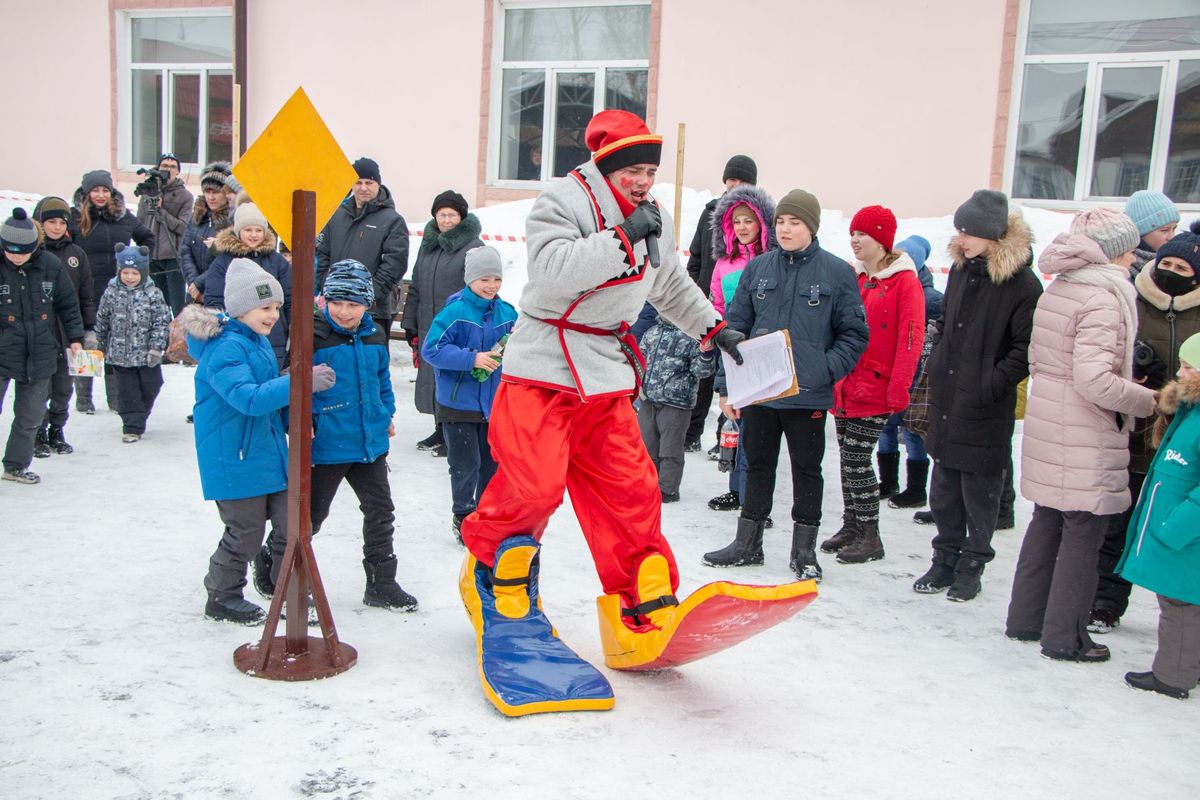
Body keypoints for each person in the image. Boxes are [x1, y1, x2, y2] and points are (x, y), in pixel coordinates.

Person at [458, 109, 744, 670]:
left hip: (605, 374)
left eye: (649, 171)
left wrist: (714, 326)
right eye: (632, 170)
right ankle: (495, 574)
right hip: (542, 366)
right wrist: (619, 238)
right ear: (606, 167)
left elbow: (668, 284)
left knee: (633, 491)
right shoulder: (560, 202)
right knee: (534, 487)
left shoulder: (652, 215)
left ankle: (642, 603)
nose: (642, 181)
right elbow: (551, 269)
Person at [1004, 209, 1156, 663]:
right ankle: (1066, 637)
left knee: (1048, 520)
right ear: (1112, 252)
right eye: (1129, 250)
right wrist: (1146, 401)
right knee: (1084, 529)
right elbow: (1094, 380)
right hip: (1085, 428)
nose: (1133, 259)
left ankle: (1026, 619)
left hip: (1051, 422)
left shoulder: (1062, 286)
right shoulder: (1104, 297)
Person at [704, 188, 869, 581]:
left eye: (795, 222)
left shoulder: (836, 272)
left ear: (811, 226)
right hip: (760, 392)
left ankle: (804, 551)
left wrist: (823, 369)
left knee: (806, 470)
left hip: (807, 394)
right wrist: (729, 387)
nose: (786, 229)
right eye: (780, 221)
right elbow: (734, 329)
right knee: (757, 465)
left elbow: (854, 334)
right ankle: (748, 543)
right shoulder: (759, 268)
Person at [180, 260, 336, 623]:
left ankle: (290, 592)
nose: (273, 315)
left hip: (267, 452)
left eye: (277, 307)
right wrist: (300, 380)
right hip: (234, 456)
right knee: (245, 534)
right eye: (265, 307)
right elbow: (248, 398)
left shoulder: (258, 343)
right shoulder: (224, 348)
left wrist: (293, 415)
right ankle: (222, 595)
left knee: (291, 527)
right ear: (241, 308)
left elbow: (269, 395)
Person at [913, 190, 1042, 602]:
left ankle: (972, 564)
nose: (961, 239)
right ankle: (944, 557)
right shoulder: (962, 270)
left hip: (985, 404)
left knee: (980, 492)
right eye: (959, 230)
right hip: (950, 394)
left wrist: (991, 383)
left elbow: (1026, 349)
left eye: (968, 232)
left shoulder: (1023, 284)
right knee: (945, 486)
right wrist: (939, 368)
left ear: (993, 236)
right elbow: (948, 324)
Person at [1092, 220, 1200, 634]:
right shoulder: (1133, 298)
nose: (1171, 270)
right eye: (1166, 261)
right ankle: (1105, 600)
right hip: (1133, 426)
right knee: (1118, 520)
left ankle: (1179, 610)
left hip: (1185, 441)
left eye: (1183, 268)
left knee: (1177, 527)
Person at [823, 205, 925, 565]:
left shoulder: (904, 282)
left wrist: (899, 385)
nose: (854, 240)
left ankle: (870, 535)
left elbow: (911, 337)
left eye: (862, 234)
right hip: (847, 384)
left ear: (882, 240)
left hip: (877, 386)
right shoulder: (856, 278)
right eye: (852, 233)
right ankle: (852, 525)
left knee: (856, 459)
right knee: (847, 461)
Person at [1117, 333, 1200, 699]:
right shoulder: (1190, 408)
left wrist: (1176, 526)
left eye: (1187, 366)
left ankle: (1173, 677)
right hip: (1179, 528)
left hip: (1185, 533)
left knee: (1179, 601)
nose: (1179, 372)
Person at [421, 246, 517, 539]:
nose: (491, 286)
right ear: (470, 279)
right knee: (465, 463)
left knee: (490, 462)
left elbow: (520, 347)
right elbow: (431, 350)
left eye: (496, 279)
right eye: (484, 279)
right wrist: (471, 358)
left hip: (494, 402)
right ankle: (462, 514)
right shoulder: (455, 312)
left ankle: (485, 515)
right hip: (457, 403)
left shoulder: (508, 312)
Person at [705, 185, 776, 513]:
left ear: (762, 222)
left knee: (756, 429)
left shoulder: (771, 261)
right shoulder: (724, 262)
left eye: (749, 220)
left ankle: (754, 498)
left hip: (761, 350)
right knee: (731, 420)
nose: (743, 228)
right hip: (731, 349)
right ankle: (736, 488)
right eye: (736, 223)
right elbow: (717, 303)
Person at [0, 208, 84, 484]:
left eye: (22, 252)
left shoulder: (49, 264)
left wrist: (75, 338)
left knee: (30, 415)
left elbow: (68, 304)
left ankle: (15, 466)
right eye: (11, 252)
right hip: (2, 348)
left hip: (40, 351)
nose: (16, 257)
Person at [401, 190, 484, 457]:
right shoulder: (429, 246)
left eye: (452, 215)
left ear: (462, 217)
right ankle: (440, 428)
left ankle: (454, 436)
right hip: (430, 324)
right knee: (433, 378)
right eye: (441, 215)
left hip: (458, 327)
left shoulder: (473, 248)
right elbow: (416, 287)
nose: (446, 220)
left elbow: (480, 290)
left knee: (454, 381)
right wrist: (411, 324)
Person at [685, 154, 758, 452]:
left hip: (740, 309)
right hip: (708, 304)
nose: (735, 185)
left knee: (731, 373)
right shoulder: (710, 213)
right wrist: (696, 293)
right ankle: (691, 433)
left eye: (742, 181)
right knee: (702, 372)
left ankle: (723, 437)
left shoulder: (759, 217)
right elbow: (696, 258)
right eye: (732, 180)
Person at [70, 169, 154, 415]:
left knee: (115, 340)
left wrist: (138, 264)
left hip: (119, 290)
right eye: (95, 190)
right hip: (84, 288)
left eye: (104, 190)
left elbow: (147, 238)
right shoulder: (75, 217)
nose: (100, 195)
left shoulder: (123, 216)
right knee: (89, 340)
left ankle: (115, 397)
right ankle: (84, 397)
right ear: (87, 192)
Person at [879, 234, 943, 508]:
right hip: (890, 371)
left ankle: (915, 489)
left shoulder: (933, 299)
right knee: (886, 427)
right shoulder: (888, 287)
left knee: (914, 429)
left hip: (919, 377)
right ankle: (888, 482)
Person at [31, 197, 94, 457]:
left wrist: (88, 328)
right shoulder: (33, 254)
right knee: (38, 386)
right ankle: (38, 431)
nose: (56, 227)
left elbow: (86, 295)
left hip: (69, 331)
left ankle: (57, 429)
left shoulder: (76, 254)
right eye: (50, 222)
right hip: (39, 331)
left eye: (61, 222)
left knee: (63, 386)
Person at [315, 157, 409, 328]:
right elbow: (323, 255)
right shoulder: (336, 216)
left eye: (369, 183)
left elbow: (394, 264)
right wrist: (327, 287)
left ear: (378, 184)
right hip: (336, 308)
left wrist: (366, 295)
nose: (363, 188)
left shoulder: (392, 220)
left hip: (373, 310)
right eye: (358, 182)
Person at [94, 244, 172, 443]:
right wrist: (99, 342)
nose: (130, 277)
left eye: (135, 273)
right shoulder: (111, 292)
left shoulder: (153, 294)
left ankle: (139, 414)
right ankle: (132, 426)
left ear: (143, 273)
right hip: (119, 353)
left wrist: (157, 347)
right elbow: (102, 318)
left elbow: (161, 322)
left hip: (146, 353)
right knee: (127, 391)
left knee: (152, 384)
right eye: (126, 272)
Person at [204, 203, 292, 369]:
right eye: (248, 230)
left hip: (275, 337)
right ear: (238, 232)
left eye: (258, 230)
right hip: (238, 337)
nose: (254, 235)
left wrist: (293, 327)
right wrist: (225, 328)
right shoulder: (223, 262)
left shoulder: (277, 261)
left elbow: (290, 296)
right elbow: (214, 300)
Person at [638, 313, 716, 502]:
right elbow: (639, 362)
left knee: (670, 449)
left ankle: (667, 490)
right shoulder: (652, 333)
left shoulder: (690, 337)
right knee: (647, 447)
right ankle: (647, 485)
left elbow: (702, 371)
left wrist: (706, 354)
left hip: (676, 402)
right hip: (648, 399)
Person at [136, 152, 193, 316]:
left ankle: (179, 338)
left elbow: (183, 227)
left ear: (177, 171)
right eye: (164, 166)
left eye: (172, 167)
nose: (168, 170)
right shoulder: (148, 193)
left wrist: (162, 210)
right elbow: (140, 223)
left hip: (173, 257)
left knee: (177, 305)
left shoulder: (185, 196)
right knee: (156, 305)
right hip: (151, 255)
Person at [180, 161, 233, 304]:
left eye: (216, 192)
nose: (211, 197)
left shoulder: (233, 220)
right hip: (194, 293)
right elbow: (186, 250)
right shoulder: (197, 216)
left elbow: (228, 259)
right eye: (207, 192)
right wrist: (193, 282)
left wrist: (200, 282)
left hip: (221, 292)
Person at [1123, 190, 1180, 277]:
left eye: (1174, 229)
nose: (1172, 237)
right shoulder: (1122, 270)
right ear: (1140, 232)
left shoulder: (1183, 259)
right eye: (1165, 230)